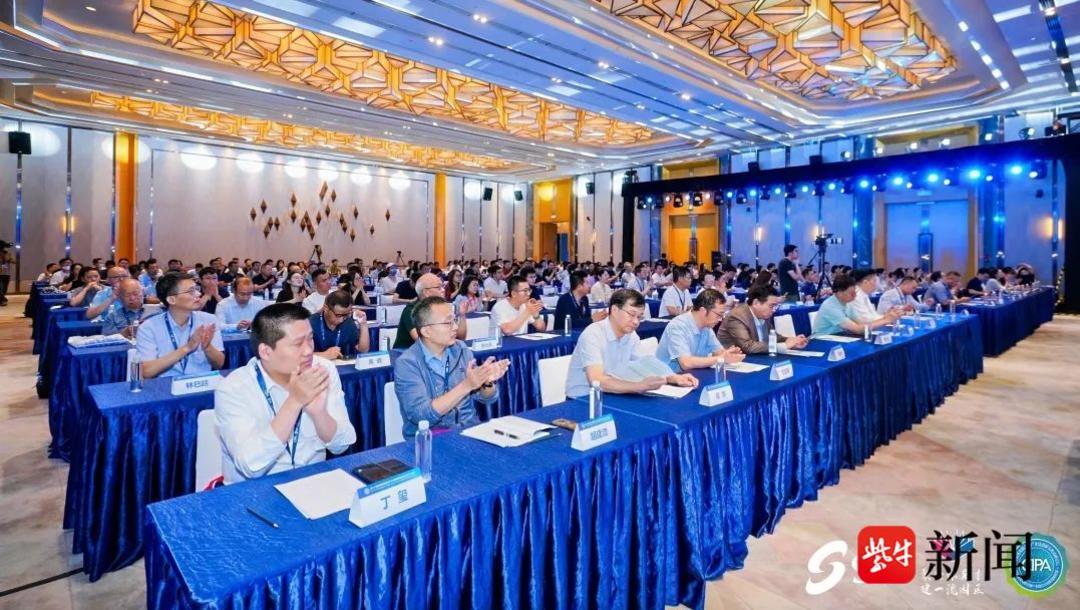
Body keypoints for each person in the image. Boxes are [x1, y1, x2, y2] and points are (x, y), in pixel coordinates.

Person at [214, 303, 356, 484]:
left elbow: (342, 445)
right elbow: (251, 466)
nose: (309, 350)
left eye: (310, 339)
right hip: (255, 490)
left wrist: (320, 414)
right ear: (266, 351)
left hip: (312, 482)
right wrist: (294, 402)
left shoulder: (322, 370)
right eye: (297, 344)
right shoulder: (233, 388)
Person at [393, 296, 509, 439]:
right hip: (431, 439)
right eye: (448, 322)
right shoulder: (407, 363)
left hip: (469, 431)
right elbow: (421, 415)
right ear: (426, 331)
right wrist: (466, 385)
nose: (455, 327)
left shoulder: (460, 349)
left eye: (454, 320)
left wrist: (486, 381)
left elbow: (487, 399)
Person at [565, 289, 698, 398]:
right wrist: (639, 386)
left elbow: (647, 362)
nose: (636, 322)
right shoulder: (593, 334)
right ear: (614, 310)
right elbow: (597, 380)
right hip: (583, 399)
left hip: (612, 394)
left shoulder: (630, 335)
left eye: (639, 317)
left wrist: (672, 377)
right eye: (631, 314)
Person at [136, 272, 224, 379]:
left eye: (197, 289)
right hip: (166, 385)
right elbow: (146, 372)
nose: (198, 294)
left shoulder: (209, 320)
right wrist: (187, 347)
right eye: (191, 291)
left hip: (201, 383)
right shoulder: (149, 327)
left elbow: (219, 364)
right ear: (172, 300)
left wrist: (207, 346)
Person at [656, 289, 745, 371]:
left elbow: (718, 352)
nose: (720, 319)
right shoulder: (678, 326)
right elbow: (686, 363)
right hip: (669, 378)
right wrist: (721, 358)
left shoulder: (707, 327)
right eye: (719, 314)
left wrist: (728, 354)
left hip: (692, 375)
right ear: (703, 311)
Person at [717, 285, 809, 354]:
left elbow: (774, 337)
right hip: (734, 363)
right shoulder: (737, 316)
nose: (773, 310)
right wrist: (783, 346)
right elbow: (748, 346)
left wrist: (792, 340)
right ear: (756, 303)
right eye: (771, 306)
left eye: (775, 306)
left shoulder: (763, 314)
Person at [812, 274, 901, 336]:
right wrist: (886, 320)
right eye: (851, 293)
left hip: (839, 337)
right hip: (821, 341)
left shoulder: (847, 302)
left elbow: (861, 323)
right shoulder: (831, 307)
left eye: (855, 292)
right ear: (839, 292)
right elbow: (857, 329)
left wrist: (886, 317)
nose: (855, 296)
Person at [394, 273, 467, 349]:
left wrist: (462, 315)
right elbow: (423, 342)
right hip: (406, 352)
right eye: (439, 287)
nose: (443, 290)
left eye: (443, 286)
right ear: (426, 292)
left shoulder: (442, 307)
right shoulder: (411, 310)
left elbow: (460, 337)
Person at [310, 290, 370, 359]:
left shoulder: (348, 322)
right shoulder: (310, 323)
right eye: (338, 315)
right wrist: (324, 355)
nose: (342, 320)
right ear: (326, 309)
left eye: (346, 315)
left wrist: (363, 324)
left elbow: (363, 350)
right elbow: (300, 356)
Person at [0, 240, 12, 306]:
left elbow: (13, 261)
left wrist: (9, 259)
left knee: (4, 288)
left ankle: (1, 299)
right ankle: (3, 300)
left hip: (6, 273)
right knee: (0, 288)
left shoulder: (7, 253)